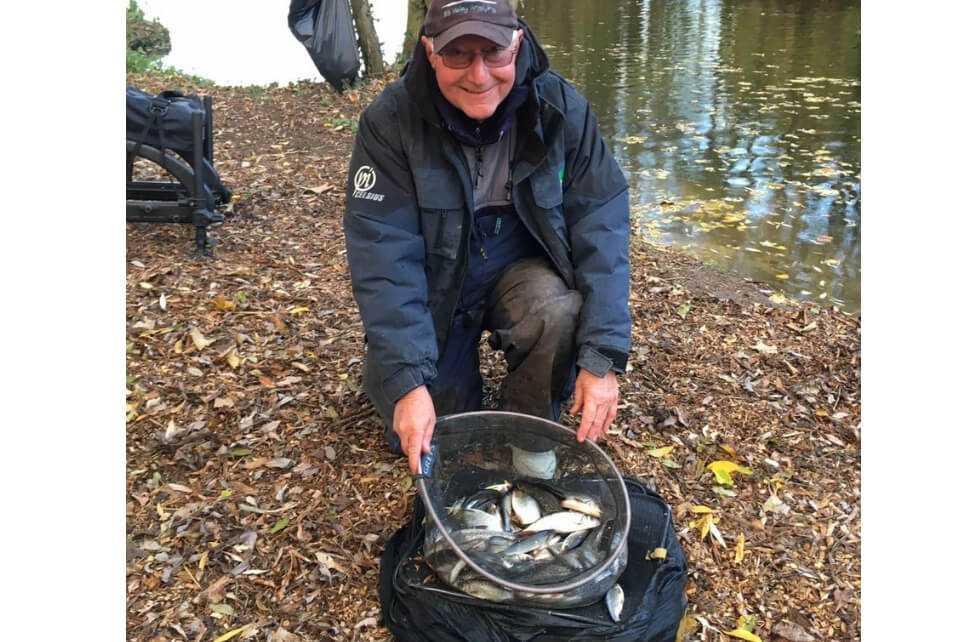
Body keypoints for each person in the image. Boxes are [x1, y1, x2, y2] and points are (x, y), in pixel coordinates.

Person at [343, 0, 631, 477]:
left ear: (516, 44)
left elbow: (603, 227)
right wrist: (407, 384)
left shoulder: (560, 108)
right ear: (430, 50)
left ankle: (531, 430)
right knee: (433, 430)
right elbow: (383, 259)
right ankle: (426, 375)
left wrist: (602, 358)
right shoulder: (389, 121)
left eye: (493, 53)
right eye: (458, 54)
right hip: (436, 280)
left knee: (557, 311)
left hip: (517, 269)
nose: (478, 76)